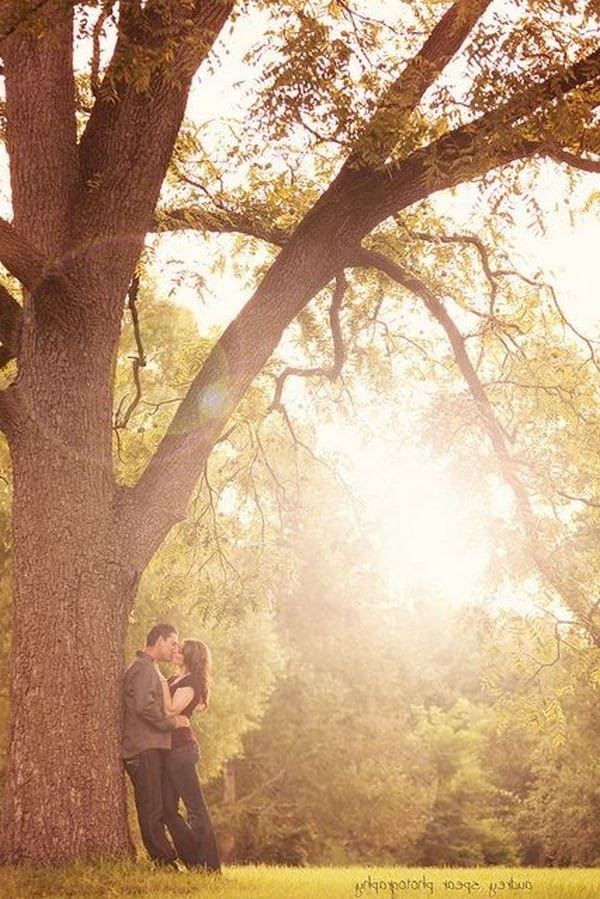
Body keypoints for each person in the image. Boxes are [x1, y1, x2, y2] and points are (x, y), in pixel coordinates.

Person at [121, 622, 190, 867]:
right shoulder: (142, 668)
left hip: (150, 747)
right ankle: (163, 861)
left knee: (159, 805)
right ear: (158, 640)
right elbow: (143, 707)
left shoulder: (150, 668)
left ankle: (167, 858)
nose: (175, 649)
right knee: (151, 807)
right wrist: (172, 723)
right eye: (172, 643)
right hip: (142, 748)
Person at [160, 638, 221, 872]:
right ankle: (195, 861)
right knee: (166, 809)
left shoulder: (193, 681)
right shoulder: (175, 679)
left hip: (182, 750)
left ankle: (210, 866)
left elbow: (171, 709)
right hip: (169, 750)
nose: (175, 651)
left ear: (190, 656)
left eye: (180, 650)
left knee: (195, 809)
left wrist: (162, 685)